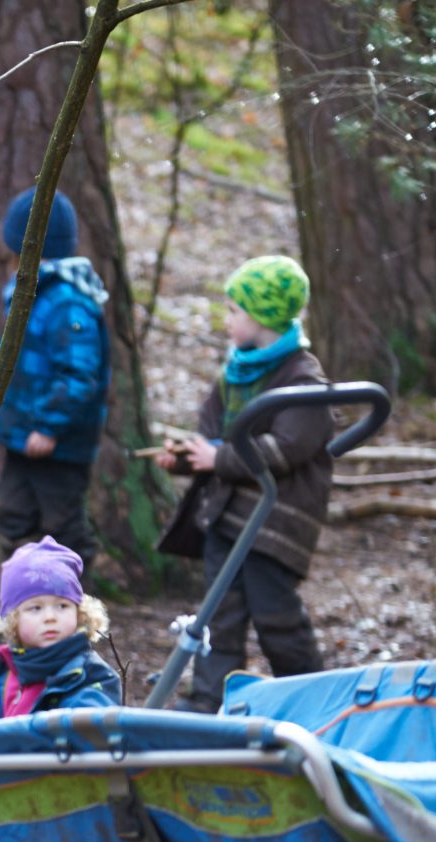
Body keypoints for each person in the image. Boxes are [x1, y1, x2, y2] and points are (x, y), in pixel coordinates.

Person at [152, 255, 335, 713]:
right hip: (226, 516)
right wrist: (188, 457)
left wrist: (220, 456)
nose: (226, 319)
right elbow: (213, 437)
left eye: (234, 310)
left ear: (263, 316)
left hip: (272, 522)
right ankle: (209, 701)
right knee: (219, 616)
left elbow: (288, 446)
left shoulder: (302, 377)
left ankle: (314, 699)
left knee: (277, 617)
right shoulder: (236, 374)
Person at [0, 188, 111, 568]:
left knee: (63, 525)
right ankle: (25, 603)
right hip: (23, 438)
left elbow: (79, 375)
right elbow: (22, 358)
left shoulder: (67, 303)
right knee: (13, 517)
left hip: (57, 445)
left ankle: (75, 608)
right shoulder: (34, 294)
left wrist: (49, 427)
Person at [0, 537, 120, 723]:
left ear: (79, 613)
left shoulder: (92, 675)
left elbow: (88, 728)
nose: (50, 617)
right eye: (36, 608)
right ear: (14, 620)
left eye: (62, 606)